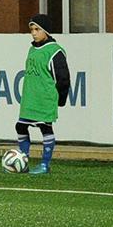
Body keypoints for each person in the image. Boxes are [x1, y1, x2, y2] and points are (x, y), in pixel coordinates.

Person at [15, 13, 70, 174]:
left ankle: (45, 164)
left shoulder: (55, 51)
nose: (33, 33)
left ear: (46, 31)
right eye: (31, 29)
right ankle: (23, 161)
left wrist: (60, 99)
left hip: (45, 98)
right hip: (30, 98)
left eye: (37, 29)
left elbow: (63, 78)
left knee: (45, 128)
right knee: (20, 126)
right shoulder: (32, 49)